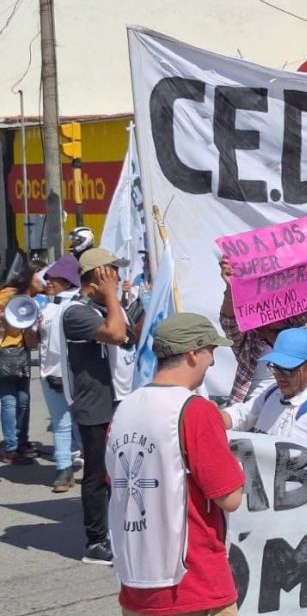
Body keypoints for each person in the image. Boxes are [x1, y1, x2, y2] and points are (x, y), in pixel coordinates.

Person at [107, 313, 244, 616]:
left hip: (136, 579)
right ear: (194, 353)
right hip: (193, 579)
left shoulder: (123, 411)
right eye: (211, 351)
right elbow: (230, 497)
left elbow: (116, 484)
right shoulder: (195, 411)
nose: (211, 362)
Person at [62, 247, 131, 565]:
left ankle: (117, 530)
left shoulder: (104, 306)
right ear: (101, 275)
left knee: (119, 473)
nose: (118, 276)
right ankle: (95, 542)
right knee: (96, 475)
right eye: (113, 271)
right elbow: (117, 334)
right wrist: (112, 295)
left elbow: (131, 338)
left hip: (117, 400)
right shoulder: (76, 311)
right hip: (95, 405)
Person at [219, 257, 307, 405]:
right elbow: (229, 321)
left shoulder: (294, 331)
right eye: (268, 302)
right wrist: (231, 289)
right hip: (248, 412)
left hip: (288, 407)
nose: (276, 306)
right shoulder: (249, 340)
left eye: (281, 301)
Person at [221, 328, 307, 443]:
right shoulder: (273, 392)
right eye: (276, 367)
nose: (280, 376)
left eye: (288, 370)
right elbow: (243, 414)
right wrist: (210, 417)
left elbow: (290, 460)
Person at [37, 255, 83, 491]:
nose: (49, 282)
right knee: (61, 424)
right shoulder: (46, 306)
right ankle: (64, 470)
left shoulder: (76, 305)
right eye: (48, 278)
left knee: (84, 423)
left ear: (67, 281)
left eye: (54, 278)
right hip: (49, 373)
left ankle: (99, 469)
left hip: (73, 375)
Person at [0, 261, 43, 465]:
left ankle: (22, 441)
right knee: (9, 401)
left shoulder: (37, 299)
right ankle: (11, 448)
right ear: (30, 276)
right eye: (41, 275)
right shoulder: (8, 294)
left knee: (24, 400)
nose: (45, 280)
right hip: (4, 351)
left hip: (23, 351)